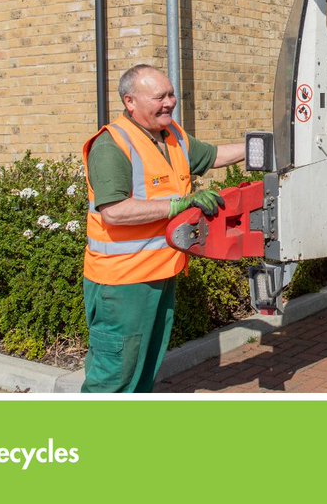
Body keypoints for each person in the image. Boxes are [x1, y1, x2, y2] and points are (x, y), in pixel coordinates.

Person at [81, 64, 246, 392]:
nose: (170, 102)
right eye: (160, 97)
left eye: (171, 94)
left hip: (158, 274)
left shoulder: (172, 136)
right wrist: (178, 205)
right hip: (122, 284)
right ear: (130, 102)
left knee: (144, 369)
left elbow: (213, 156)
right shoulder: (111, 145)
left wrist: (268, 143)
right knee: (115, 373)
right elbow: (114, 212)